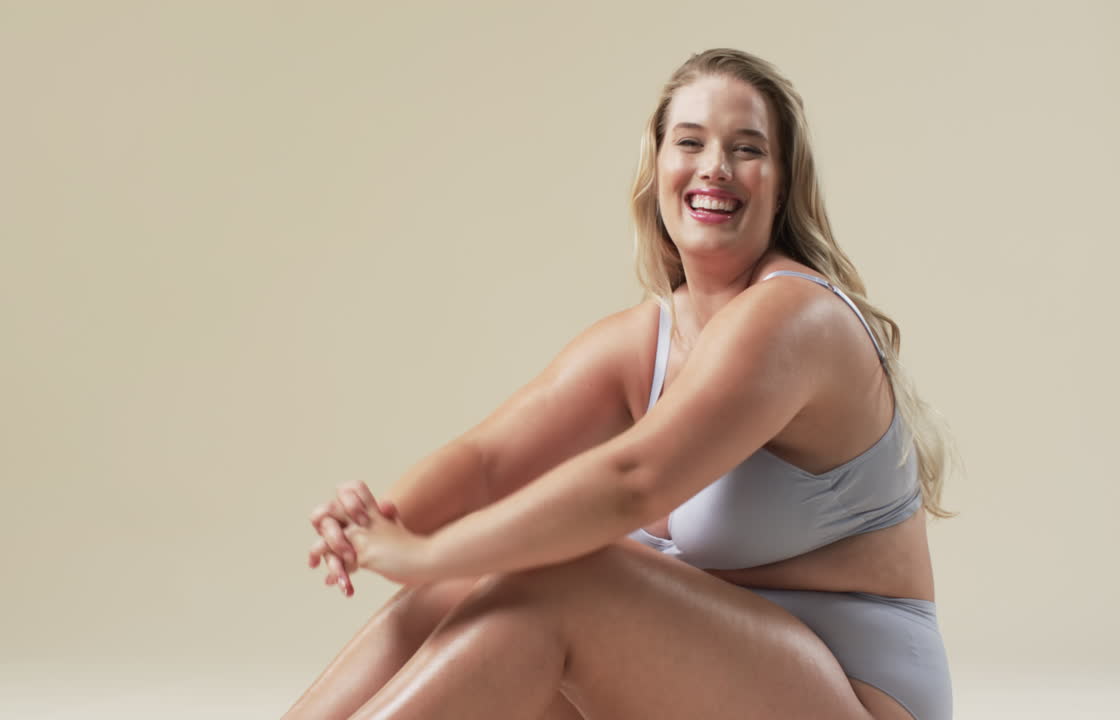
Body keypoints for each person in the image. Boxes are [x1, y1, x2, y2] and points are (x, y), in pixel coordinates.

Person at [286, 48, 955, 720]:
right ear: (658, 169)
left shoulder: (795, 319)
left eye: (746, 148)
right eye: (690, 142)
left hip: (857, 700)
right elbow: (486, 465)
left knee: (565, 572)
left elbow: (632, 481)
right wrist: (379, 526)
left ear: (781, 185)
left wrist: (423, 553)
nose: (715, 167)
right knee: (465, 584)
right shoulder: (644, 343)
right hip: (710, 688)